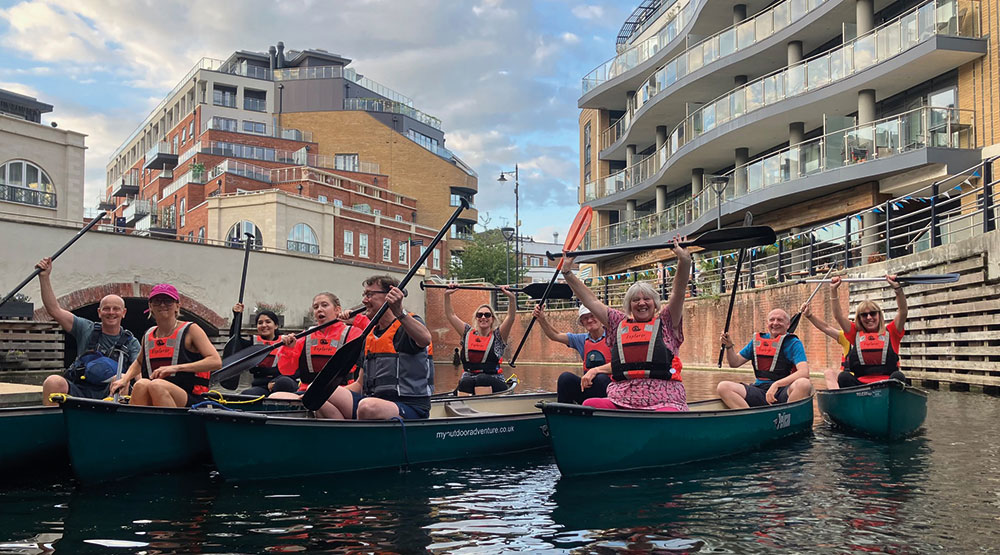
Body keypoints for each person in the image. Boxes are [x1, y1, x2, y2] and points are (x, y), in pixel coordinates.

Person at [559, 237, 690, 412]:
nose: (641, 303)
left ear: (655, 303)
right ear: (629, 305)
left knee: (667, 415)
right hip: (623, 395)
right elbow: (590, 301)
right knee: (589, 406)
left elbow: (678, 292)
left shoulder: (666, 321)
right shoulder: (618, 322)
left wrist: (684, 260)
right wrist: (567, 273)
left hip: (664, 398)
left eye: (646, 299)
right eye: (636, 300)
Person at [320, 275, 434, 420]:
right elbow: (359, 385)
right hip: (371, 402)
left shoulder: (407, 324)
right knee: (318, 395)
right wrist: (318, 394)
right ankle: (343, 438)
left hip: (409, 406)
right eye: (364, 295)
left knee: (367, 406)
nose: (364, 300)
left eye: (369, 295)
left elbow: (425, 339)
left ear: (389, 295)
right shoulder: (370, 335)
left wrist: (399, 311)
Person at [35, 257, 140, 405]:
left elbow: (138, 371)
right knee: (52, 381)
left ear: (123, 313)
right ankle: (52, 423)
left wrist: (142, 389)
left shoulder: (131, 342)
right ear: (99, 312)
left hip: (111, 392)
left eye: (116, 309)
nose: (111, 312)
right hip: (79, 388)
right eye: (106, 309)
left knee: (121, 378)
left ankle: (113, 423)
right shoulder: (86, 328)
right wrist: (44, 277)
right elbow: (54, 310)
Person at [109, 284, 221, 407]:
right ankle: (139, 423)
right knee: (141, 384)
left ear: (177, 306)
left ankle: (169, 425)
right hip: (156, 389)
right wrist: (125, 380)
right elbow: (139, 362)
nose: (162, 305)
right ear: (150, 306)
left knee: (157, 385)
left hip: (189, 398)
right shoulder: (148, 334)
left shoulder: (192, 330)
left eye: (168, 301)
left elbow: (215, 361)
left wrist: (175, 368)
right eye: (157, 302)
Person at [272, 293, 369, 395]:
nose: (319, 309)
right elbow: (287, 371)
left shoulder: (353, 333)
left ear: (337, 310)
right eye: (316, 307)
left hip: (341, 392)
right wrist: (288, 349)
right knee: (276, 396)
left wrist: (358, 320)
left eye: (325, 305)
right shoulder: (305, 336)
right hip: (307, 392)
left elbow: (376, 335)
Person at [718, 309, 814, 408]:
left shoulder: (793, 343)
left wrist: (776, 385)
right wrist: (729, 346)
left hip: (783, 390)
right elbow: (735, 363)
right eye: (772, 320)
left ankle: (787, 416)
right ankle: (750, 418)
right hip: (759, 390)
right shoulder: (757, 341)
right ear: (767, 323)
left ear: (788, 324)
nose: (775, 323)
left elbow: (804, 373)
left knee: (804, 384)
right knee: (723, 386)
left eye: (780, 320)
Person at [830, 275, 908, 386]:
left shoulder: (892, 332)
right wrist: (833, 290)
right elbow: (838, 316)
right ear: (859, 318)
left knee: (898, 376)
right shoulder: (855, 333)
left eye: (872, 313)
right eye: (864, 315)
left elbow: (903, 312)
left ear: (879, 315)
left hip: (887, 384)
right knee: (843, 377)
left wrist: (897, 289)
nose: (869, 317)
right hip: (860, 386)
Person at [444, 284, 516, 395]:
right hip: (469, 379)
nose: (483, 317)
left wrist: (511, 298)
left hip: (494, 380)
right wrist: (447, 296)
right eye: (480, 315)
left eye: (487, 315)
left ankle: (482, 407)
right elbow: (451, 315)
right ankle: (464, 407)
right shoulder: (467, 332)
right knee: (465, 381)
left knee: (482, 379)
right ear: (476, 318)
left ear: (492, 319)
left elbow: (510, 317)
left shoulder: (498, 336)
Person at [533, 304, 613, 404]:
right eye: (585, 318)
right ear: (582, 323)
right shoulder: (581, 339)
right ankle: (564, 415)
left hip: (610, 390)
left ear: (600, 318)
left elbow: (621, 365)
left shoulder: (614, 337)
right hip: (587, 390)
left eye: (593, 316)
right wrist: (542, 319)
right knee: (565, 378)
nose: (589, 320)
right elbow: (555, 335)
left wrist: (594, 371)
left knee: (601, 378)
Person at [231, 302, 297, 396]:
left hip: (284, 383)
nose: (264, 325)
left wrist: (276, 380)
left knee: (283, 382)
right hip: (261, 386)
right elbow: (234, 341)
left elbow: (297, 370)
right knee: (246, 394)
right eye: (260, 323)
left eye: (268, 322)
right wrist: (237, 316)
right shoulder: (252, 343)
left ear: (276, 325)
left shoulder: (287, 342)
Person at [801, 301, 851, 389]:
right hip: (846, 378)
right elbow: (826, 327)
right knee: (829, 372)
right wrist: (809, 316)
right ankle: (837, 398)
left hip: (866, 379)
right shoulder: (846, 337)